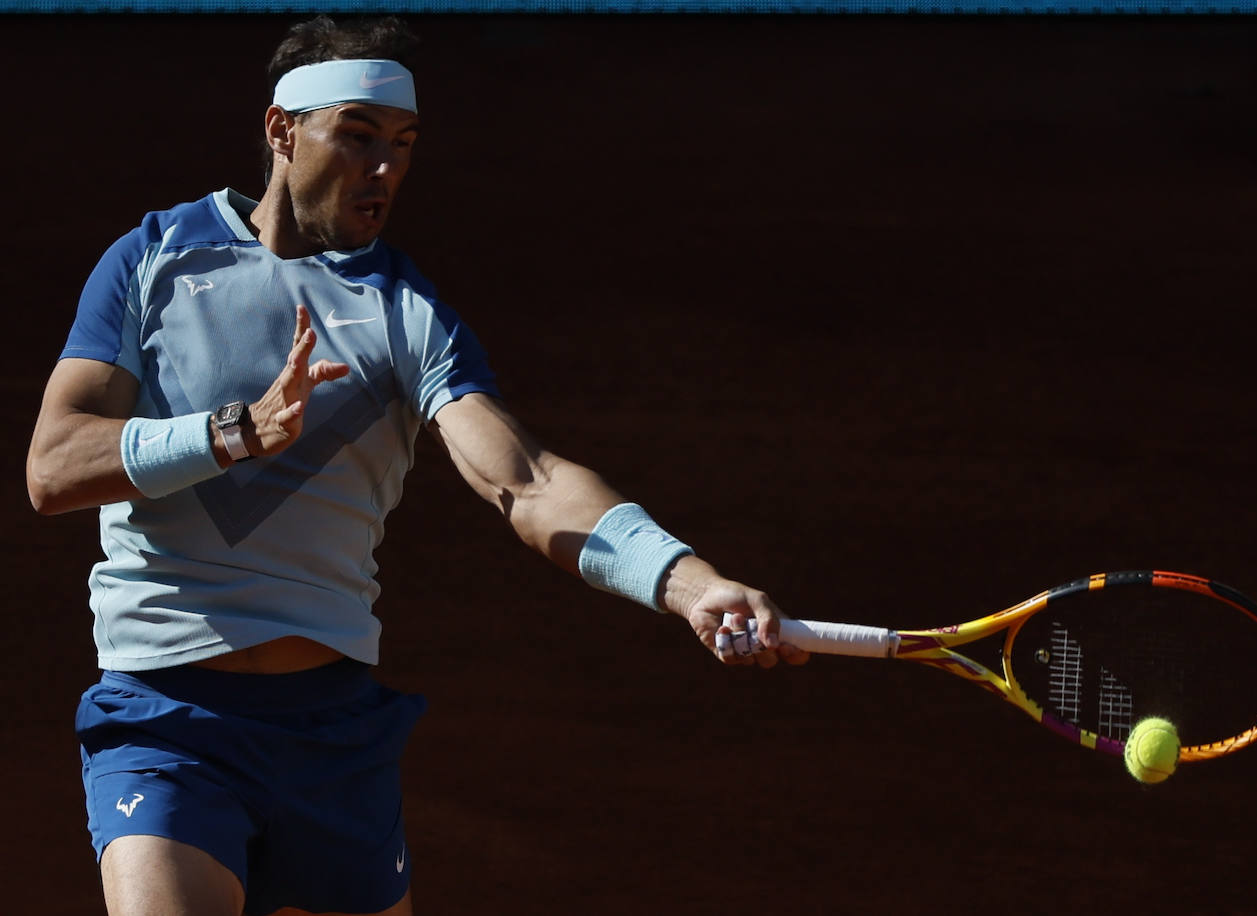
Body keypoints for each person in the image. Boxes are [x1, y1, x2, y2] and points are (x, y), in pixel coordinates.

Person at [25, 15, 806, 916]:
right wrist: (235, 432)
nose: (384, 169)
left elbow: (527, 480)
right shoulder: (153, 258)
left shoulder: (402, 308)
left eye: (402, 144)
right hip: (165, 715)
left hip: (334, 734)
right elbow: (54, 464)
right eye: (356, 137)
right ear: (282, 131)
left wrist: (686, 581)